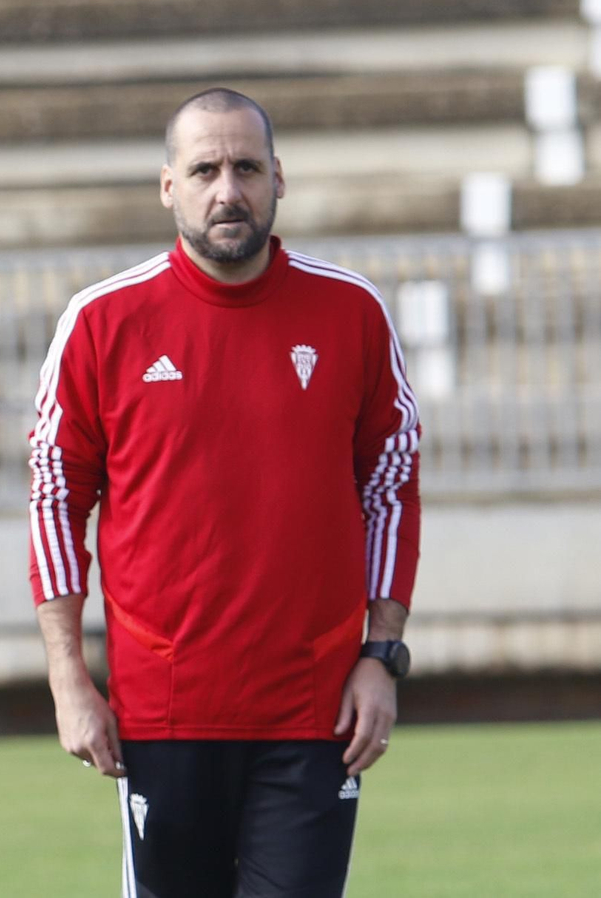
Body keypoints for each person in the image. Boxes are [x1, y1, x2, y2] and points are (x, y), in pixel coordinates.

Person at [28, 87, 420, 897]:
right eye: (204, 169)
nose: (228, 190)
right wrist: (71, 683)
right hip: (164, 714)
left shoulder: (352, 313)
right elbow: (54, 501)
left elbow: (389, 487)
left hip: (317, 716)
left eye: (246, 167)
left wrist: (381, 656)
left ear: (279, 177)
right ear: (168, 185)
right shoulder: (102, 321)